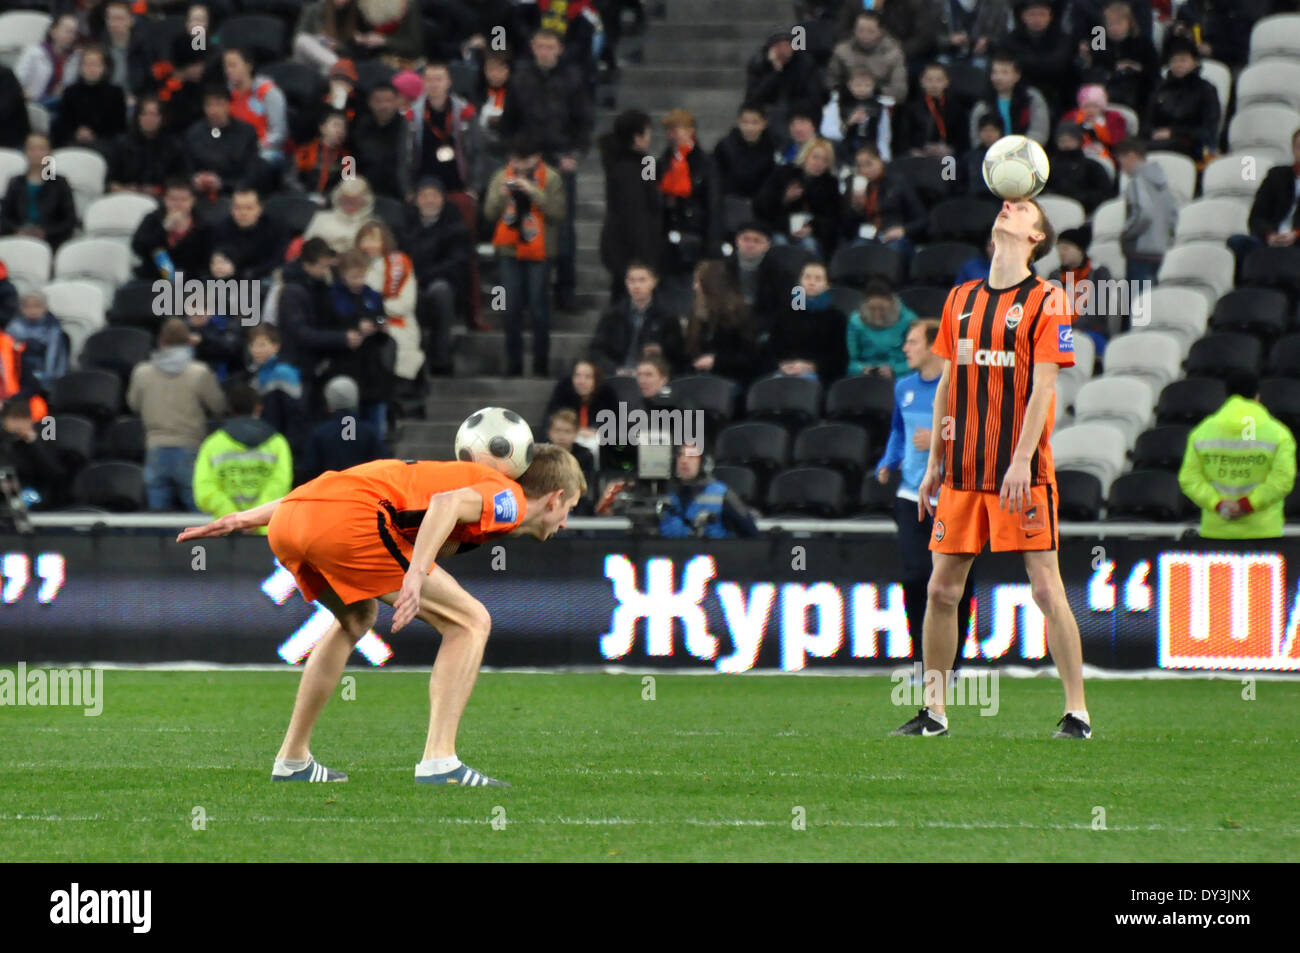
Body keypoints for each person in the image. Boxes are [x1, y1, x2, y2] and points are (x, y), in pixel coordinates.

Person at [175, 445, 587, 786]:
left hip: (290, 518)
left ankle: (293, 759)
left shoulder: (455, 475)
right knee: (470, 621)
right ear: (554, 498)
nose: (565, 521)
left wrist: (245, 518)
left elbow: (335, 490)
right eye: (569, 507)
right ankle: (440, 761)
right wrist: (414, 574)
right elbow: (445, 505)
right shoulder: (509, 499)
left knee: (356, 619)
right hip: (346, 521)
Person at [893, 194, 1090, 740]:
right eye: (1007, 204)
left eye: (1024, 210)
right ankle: (934, 711)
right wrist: (931, 462)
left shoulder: (1049, 299)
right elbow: (948, 386)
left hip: (1021, 471)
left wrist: (1023, 458)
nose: (1010, 207)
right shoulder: (960, 298)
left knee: (1047, 589)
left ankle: (1077, 711)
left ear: (1036, 237)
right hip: (962, 471)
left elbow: (1045, 385)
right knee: (941, 591)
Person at [874, 318, 974, 658]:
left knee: (953, 584)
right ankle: (922, 656)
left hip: (953, 496)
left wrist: (937, 439)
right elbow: (898, 432)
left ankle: (954, 662)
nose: (905, 349)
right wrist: (888, 460)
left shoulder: (962, 387)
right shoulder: (903, 387)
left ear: (934, 346)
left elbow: (977, 437)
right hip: (911, 496)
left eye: (913, 342)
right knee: (915, 576)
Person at [499, 28, 594, 315]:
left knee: (563, 229)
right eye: (540, 46)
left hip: (560, 160)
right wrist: (515, 157)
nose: (545, 52)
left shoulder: (574, 79)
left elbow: (584, 122)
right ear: (532, 47)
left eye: (550, 47)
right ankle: (527, 294)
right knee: (524, 225)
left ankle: (565, 290)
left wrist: (575, 155)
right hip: (526, 162)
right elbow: (508, 123)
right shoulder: (519, 80)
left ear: (560, 49)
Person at [483, 136, 566, 378]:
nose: (519, 167)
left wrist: (534, 193)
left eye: (525, 161)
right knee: (509, 309)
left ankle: (541, 366)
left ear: (536, 158)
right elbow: (488, 213)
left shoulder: (551, 178)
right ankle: (513, 365)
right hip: (509, 251)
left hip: (540, 252)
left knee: (539, 309)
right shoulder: (501, 176)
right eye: (515, 161)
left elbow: (558, 214)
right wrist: (501, 196)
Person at [407, 61, 483, 323]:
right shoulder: (413, 114)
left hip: (458, 190)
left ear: (449, 82)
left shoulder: (465, 112)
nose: (434, 84)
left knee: (465, 252)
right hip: (423, 192)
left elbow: (477, 151)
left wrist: (474, 187)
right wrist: (408, 190)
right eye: (429, 79)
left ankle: (473, 313)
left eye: (439, 79)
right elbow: (403, 156)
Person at [1178, 374, 1296, 541]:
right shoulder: (1279, 433)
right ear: (1257, 396)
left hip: (1216, 531)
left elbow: (1189, 479)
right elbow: (1282, 480)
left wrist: (1218, 504)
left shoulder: (1202, 431)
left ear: (1227, 395)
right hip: (1263, 532)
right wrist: (1246, 505)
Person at [127, 317, 227, 512]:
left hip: (155, 448)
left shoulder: (142, 372)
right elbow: (218, 406)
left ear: (161, 341)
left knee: (158, 524)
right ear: (189, 341)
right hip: (189, 449)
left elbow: (133, 404)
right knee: (198, 518)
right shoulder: (199, 372)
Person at [192, 382, 293, 534]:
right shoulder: (278, 443)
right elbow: (280, 485)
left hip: (225, 532)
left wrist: (233, 517)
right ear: (258, 408)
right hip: (267, 533)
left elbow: (204, 489)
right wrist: (255, 517)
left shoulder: (212, 444)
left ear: (230, 409)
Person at [405, 177, 475, 373]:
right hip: (410, 282)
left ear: (443, 199)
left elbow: (457, 262)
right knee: (411, 296)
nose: (429, 200)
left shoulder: (456, 226)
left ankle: (441, 359)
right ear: (416, 200)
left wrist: (424, 276)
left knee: (440, 292)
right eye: (424, 196)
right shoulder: (406, 224)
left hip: (444, 283)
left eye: (434, 195)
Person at [598, 108, 662, 301]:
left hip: (632, 240)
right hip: (629, 246)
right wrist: (646, 252)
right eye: (647, 133)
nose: (649, 138)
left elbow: (653, 193)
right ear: (636, 137)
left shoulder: (645, 162)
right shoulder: (625, 169)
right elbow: (635, 212)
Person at [587, 261, 686, 377]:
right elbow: (596, 351)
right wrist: (615, 369)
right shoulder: (613, 315)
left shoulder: (667, 316)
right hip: (618, 374)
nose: (636, 285)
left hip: (652, 376)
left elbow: (678, 354)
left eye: (642, 280)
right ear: (626, 283)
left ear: (654, 281)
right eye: (631, 281)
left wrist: (661, 350)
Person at [356, 219, 422, 389]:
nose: (370, 245)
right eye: (366, 239)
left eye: (375, 240)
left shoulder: (400, 263)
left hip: (398, 324)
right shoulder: (353, 265)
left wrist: (376, 308)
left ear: (385, 241)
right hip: (360, 322)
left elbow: (405, 304)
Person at [1228, 127, 1300, 273]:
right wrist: (1270, 235)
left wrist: (1296, 235)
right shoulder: (1276, 176)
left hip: (1297, 245)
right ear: (1293, 150)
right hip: (1271, 242)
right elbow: (1256, 217)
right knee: (1237, 242)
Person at [754, 138, 842, 258]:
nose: (819, 163)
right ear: (805, 156)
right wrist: (785, 198)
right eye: (815, 157)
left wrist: (812, 229)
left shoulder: (831, 184)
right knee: (780, 243)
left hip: (812, 235)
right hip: (780, 228)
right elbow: (761, 206)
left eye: (825, 160)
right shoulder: (784, 173)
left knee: (809, 245)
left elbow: (833, 219)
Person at [767, 260, 849, 385]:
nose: (811, 282)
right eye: (807, 277)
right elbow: (772, 348)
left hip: (819, 376)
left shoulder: (836, 317)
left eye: (818, 279)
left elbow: (839, 358)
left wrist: (812, 366)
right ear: (799, 282)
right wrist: (782, 365)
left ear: (827, 285)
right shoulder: (785, 313)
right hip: (783, 371)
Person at [659, 441, 760, 539]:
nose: (684, 461)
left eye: (691, 456)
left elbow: (752, 537)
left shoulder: (722, 495)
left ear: (704, 464)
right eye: (680, 455)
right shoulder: (671, 498)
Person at [299, 375, 389, 483]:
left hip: (329, 494)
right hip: (363, 493)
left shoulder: (320, 434)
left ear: (328, 399)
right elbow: (384, 467)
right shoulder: (369, 433)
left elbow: (308, 471)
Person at [1145, 38, 1221, 163]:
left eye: (1183, 60)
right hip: (1158, 140)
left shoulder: (1206, 90)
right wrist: (1154, 133)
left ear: (1195, 62)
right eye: (1174, 60)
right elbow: (1147, 122)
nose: (1178, 65)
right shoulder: (1161, 89)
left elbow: (1208, 130)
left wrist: (1174, 132)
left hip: (1192, 144)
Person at [1114, 137, 1178, 285]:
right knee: (1150, 301)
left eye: (1121, 161)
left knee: (1137, 303)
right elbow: (1173, 215)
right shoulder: (1164, 183)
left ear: (1131, 156)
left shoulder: (1137, 182)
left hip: (1139, 250)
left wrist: (1126, 234)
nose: (1122, 168)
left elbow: (1143, 214)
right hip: (1160, 250)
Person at [685, 260, 759, 385]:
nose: (695, 286)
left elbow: (750, 356)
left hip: (732, 378)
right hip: (701, 377)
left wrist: (717, 361)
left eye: (698, 282)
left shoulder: (740, 312)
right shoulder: (697, 310)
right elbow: (690, 350)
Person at [1079, 0, 1160, 115]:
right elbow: (1095, 65)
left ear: (1129, 23)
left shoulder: (1142, 42)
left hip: (1136, 93)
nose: (1114, 28)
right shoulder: (1099, 39)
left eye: (1119, 23)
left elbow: (1154, 71)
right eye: (1111, 24)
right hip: (1104, 89)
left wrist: (1136, 68)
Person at [0, 133, 78, 251]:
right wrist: (17, 230)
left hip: (51, 242)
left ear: (50, 152)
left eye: (41, 149)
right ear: (25, 152)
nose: (36, 153)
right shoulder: (16, 182)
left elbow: (69, 220)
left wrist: (46, 232)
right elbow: (5, 217)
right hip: (17, 240)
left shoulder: (60, 183)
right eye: (32, 149)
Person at [1048, 224, 1117, 356]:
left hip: (1091, 332)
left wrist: (1070, 328)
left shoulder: (1099, 273)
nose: (1061, 253)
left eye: (1066, 248)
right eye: (1059, 248)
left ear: (1080, 250)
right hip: (1061, 331)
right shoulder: (1055, 276)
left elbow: (1098, 310)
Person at [184, 86, 262, 200]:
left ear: (228, 105)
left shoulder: (247, 133)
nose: (213, 110)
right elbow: (186, 168)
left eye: (219, 104)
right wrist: (196, 179)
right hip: (199, 195)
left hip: (235, 194)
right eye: (209, 105)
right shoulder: (193, 133)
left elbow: (252, 174)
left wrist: (223, 184)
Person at [130, 177, 212, 280]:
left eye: (184, 199)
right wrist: (163, 229)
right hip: (152, 278)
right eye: (173, 199)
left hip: (190, 281)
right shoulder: (152, 219)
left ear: (192, 201)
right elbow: (138, 248)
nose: (178, 204)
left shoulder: (203, 225)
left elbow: (205, 260)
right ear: (165, 199)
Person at [1001, 0, 1075, 113]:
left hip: (1056, 95)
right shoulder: (1010, 40)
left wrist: (1027, 62)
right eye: (1032, 14)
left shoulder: (1062, 39)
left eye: (1042, 14)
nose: (1037, 19)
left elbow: (1058, 65)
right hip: (1020, 95)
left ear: (1050, 17)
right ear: (1023, 16)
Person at [106, 95, 187, 195]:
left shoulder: (174, 146)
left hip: (163, 199)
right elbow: (110, 182)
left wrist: (158, 190)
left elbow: (180, 182)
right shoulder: (121, 144)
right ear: (137, 117)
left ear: (162, 118)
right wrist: (127, 190)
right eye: (144, 114)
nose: (149, 119)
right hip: (127, 197)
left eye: (154, 114)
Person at [223, 47, 288, 170]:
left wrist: (254, 148)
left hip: (266, 151)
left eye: (233, 65)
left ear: (248, 66)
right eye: (226, 67)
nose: (228, 71)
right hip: (236, 152)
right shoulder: (227, 96)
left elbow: (279, 133)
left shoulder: (268, 93)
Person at [50, 45, 127, 149]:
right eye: (87, 65)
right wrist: (77, 132)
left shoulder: (116, 92)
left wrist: (94, 133)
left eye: (96, 65)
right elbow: (64, 121)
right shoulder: (70, 92)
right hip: (73, 139)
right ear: (81, 67)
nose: (91, 69)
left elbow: (119, 125)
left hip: (104, 140)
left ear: (104, 67)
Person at [967, 52, 1050, 147]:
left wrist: (1018, 149)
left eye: (1004, 72)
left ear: (1017, 76)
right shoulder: (983, 105)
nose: (998, 77)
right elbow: (976, 139)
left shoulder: (1032, 98)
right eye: (994, 72)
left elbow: (1039, 132)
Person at [243, 324, 303, 452]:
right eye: (252, 345)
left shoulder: (284, 372)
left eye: (262, 345)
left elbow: (295, 415)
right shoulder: (253, 375)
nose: (256, 350)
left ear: (276, 346)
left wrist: (288, 446)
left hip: (281, 444)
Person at [0, 396, 66, 511]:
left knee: (23, 501)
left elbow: (54, 472)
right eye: (14, 419)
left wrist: (34, 444)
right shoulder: (4, 442)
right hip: (5, 490)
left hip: (33, 491)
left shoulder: (43, 441)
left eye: (24, 419)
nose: (19, 424)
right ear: (5, 422)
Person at [825, 10, 907, 103]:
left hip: (881, 103)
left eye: (870, 31)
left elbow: (900, 91)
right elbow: (830, 82)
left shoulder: (893, 54)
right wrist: (850, 89)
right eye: (860, 30)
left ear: (881, 31)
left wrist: (873, 90)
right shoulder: (842, 51)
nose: (864, 35)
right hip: (846, 102)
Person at [211, 186, 287, 281]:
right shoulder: (220, 228)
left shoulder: (276, 227)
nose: (243, 213)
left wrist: (247, 273)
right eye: (237, 208)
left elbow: (278, 261)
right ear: (231, 209)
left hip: (262, 279)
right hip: (227, 280)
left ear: (260, 209)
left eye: (249, 208)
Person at [896, 62, 970, 158]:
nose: (934, 85)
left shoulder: (957, 110)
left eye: (939, 80)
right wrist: (920, 148)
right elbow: (904, 139)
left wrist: (949, 149)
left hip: (948, 157)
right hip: (918, 156)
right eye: (929, 80)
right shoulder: (911, 109)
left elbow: (963, 141)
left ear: (947, 82)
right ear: (922, 82)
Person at [351, 82, 409, 201]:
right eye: (378, 101)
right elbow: (348, 157)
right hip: (363, 192)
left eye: (388, 101)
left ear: (398, 102)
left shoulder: (409, 128)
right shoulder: (359, 127)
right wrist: (348, 182)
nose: (383, 106)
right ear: (370, 103)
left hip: (399, 192)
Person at [847, 279, 916, 379]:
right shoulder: (855, 321)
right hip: (865, 376)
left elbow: (918, 359)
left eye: (882, 309)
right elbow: (849, 359)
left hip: (899, 376)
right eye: (872, 309)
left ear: (892, 304)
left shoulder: (908, 319)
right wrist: (861, 369)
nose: (877, 314)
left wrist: (894, 369)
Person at [822, 66, 891, 164]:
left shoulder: (880, 107)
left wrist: (884, 159)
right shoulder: (837, 103)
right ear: (849, 85)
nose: (862, 89)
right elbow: (826, 131)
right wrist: (848, 123)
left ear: (873, 86)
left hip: (871, 151)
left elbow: (884, 136)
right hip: (843, 151)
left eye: (867, 85)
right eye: (858, 85)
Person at [712, 103, 778, 205]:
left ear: (764, 123)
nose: (749, 128)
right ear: (738, 122)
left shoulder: (773, 148)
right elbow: (716, 180)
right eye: (745, 122)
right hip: (732, 204)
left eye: (755, 122)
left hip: (763, 206)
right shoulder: (724, 147)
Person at [5, 292, 68, 394]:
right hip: (19, 376)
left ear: (45, 308)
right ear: (21, 308)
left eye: (37, 306)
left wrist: (50, 379)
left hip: (45, 375)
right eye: (28, 307)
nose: (33, 311)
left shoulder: (53, 328)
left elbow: (55, 356)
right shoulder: (14, 327)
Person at [1045, 121, 1114, 214]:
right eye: (1062, 141)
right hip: (1053, 211)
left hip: (1086, 214)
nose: (1067, 144)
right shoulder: (1048, 167)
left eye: (1071, 140)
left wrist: (1081, 198)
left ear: (1079, 141)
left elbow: (1105, 193)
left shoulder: (1092, 166)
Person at [14, 13, 79, 106]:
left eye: (74, 32)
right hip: (33, 105)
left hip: (60, 105)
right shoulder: (33, 53)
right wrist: (25, 95)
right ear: (53, 32)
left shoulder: (75, 58)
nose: (72, 36)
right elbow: (16, 82)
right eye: (68, 31)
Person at [303, 176, 377, 254]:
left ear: (365, 200)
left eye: (355, 200)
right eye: (346, 199)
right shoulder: (321, 218)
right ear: (338, 197)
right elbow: (308, 249)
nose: (349, 203)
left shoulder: (373, 225)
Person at [294, 108, 353, 197]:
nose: (340, 131)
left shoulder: (347, 158)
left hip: (332, 202)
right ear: (323, 128)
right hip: (303, 198)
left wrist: (329, 198)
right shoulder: (305, 151)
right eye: (336, 125)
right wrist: (307, 196)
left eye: (344, 127)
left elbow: (349, 186)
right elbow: (291, 179)